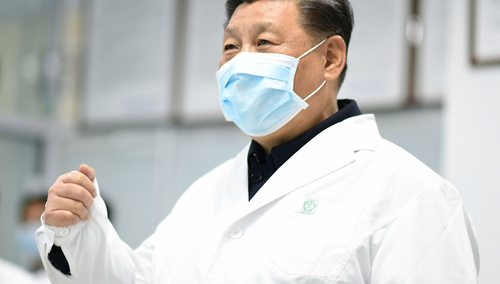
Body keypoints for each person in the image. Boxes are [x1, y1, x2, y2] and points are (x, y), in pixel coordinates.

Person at [36, 0, 480, 283]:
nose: (240, 63)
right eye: (231, 47)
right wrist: (78, 231)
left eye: (264, 42)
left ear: (330, 58)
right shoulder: (206, 194)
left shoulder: (410, 196)